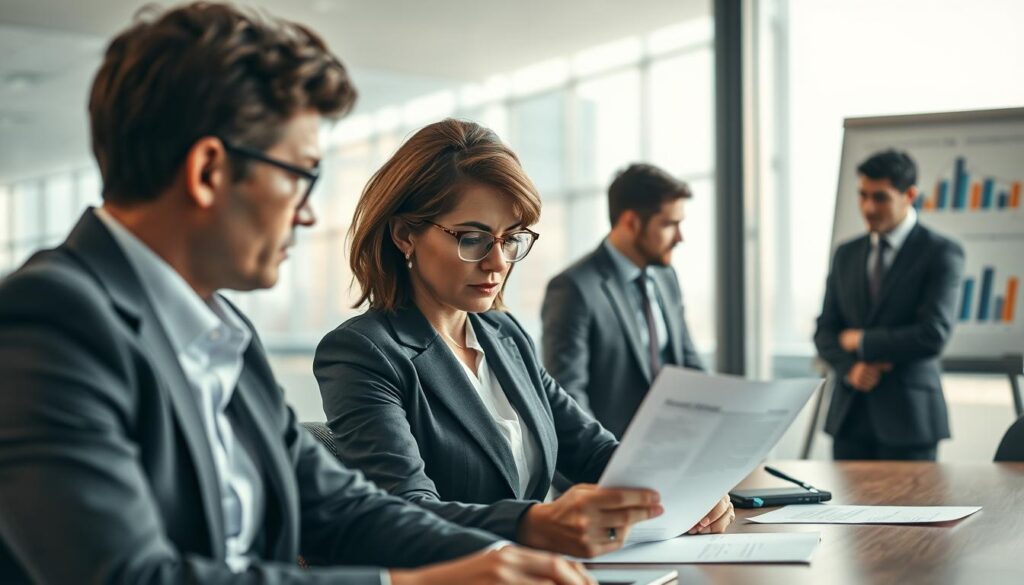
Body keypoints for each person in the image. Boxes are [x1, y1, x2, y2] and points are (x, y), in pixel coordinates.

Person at [0, 4, 594, 584]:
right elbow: (128, 574)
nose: (307, 214)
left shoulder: (218, 330)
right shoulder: (46, 323)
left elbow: (342, 509)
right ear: (209, 171)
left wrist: (522, 554)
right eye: (298, 175)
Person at [314, 119, 734, 560]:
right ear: (405, 235)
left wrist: (684, 490)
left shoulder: (505, 335)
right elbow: (404, 511)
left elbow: (592, 450)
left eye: (511, 238)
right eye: (472, 238)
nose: (497, 262)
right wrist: (532, 523)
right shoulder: (364, 353)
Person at [814, 149, 964, 461]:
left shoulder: (941, 253)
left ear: (909, 195)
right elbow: (825, 332)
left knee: (914, 511)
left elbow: (932, 335)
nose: (868, 207)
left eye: (880, 197)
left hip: (910, 420)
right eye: (863, 195)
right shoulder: (846, 253)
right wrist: (850, 367)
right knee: (842, 511)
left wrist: (861, 340)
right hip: (850, 418)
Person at [541, 163, 704, 438]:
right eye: (669, 225)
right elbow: (569, 397)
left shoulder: (666, 279)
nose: (680, 238)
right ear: (630, 222)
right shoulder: (573, 288)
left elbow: (689, 365)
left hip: (673, 453)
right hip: (607, 463)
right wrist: (605, 462)